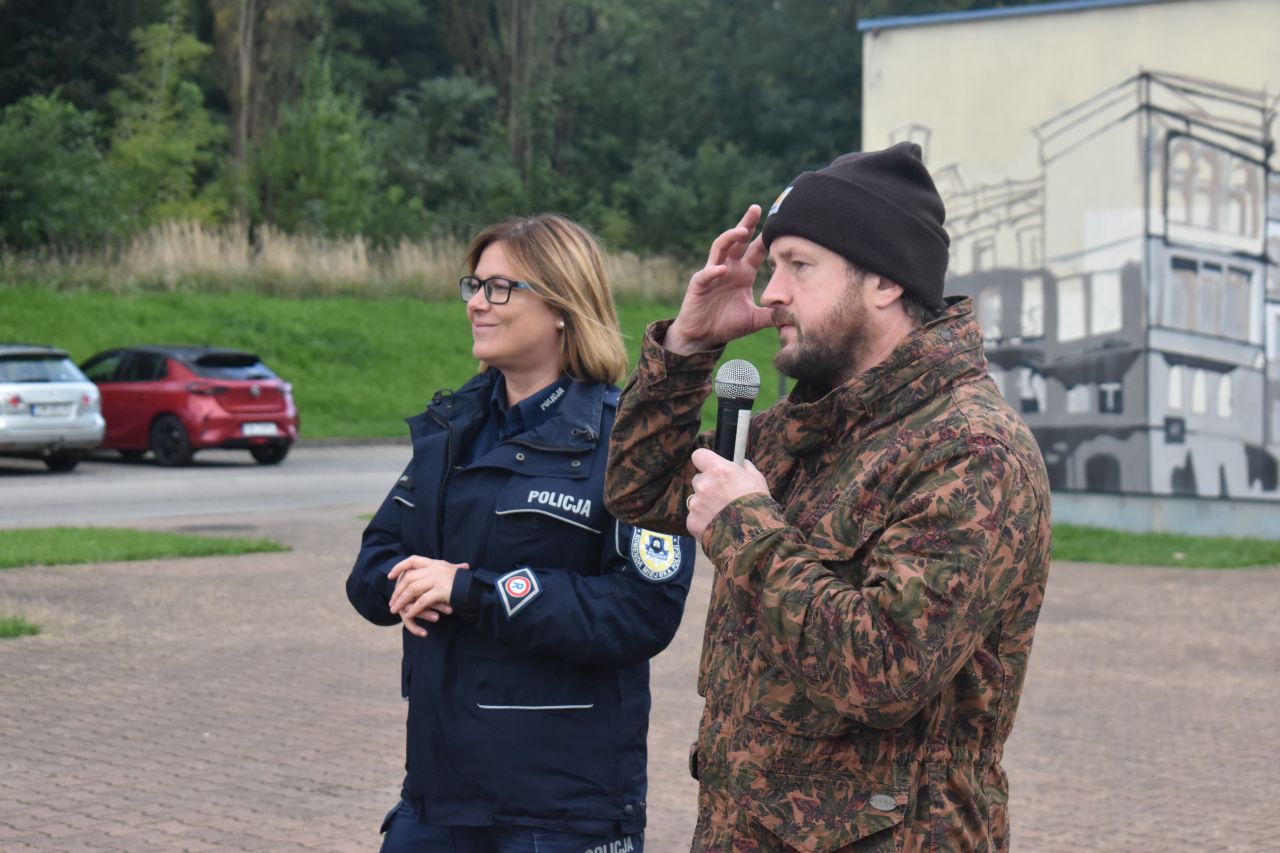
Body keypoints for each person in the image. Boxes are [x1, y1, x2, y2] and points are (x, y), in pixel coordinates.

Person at [603, 142, 1051, 852]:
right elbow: (640, 489)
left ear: (885, 282)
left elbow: (887, 671)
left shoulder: (971, 449)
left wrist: (747, 527)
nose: (771, 293)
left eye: (799, 266)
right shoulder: (808, 425)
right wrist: (686, 348)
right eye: (772, 266)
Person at [348, 213, 694, 853]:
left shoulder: (630, 444)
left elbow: (641, 611)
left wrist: (472, 591)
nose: (477, 303)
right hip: (438, 801)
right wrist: (407, 585)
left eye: (501, 288)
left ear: (562, 305)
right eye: (474, 286)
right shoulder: (450, 431)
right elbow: (373, 567)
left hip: (565, 810)